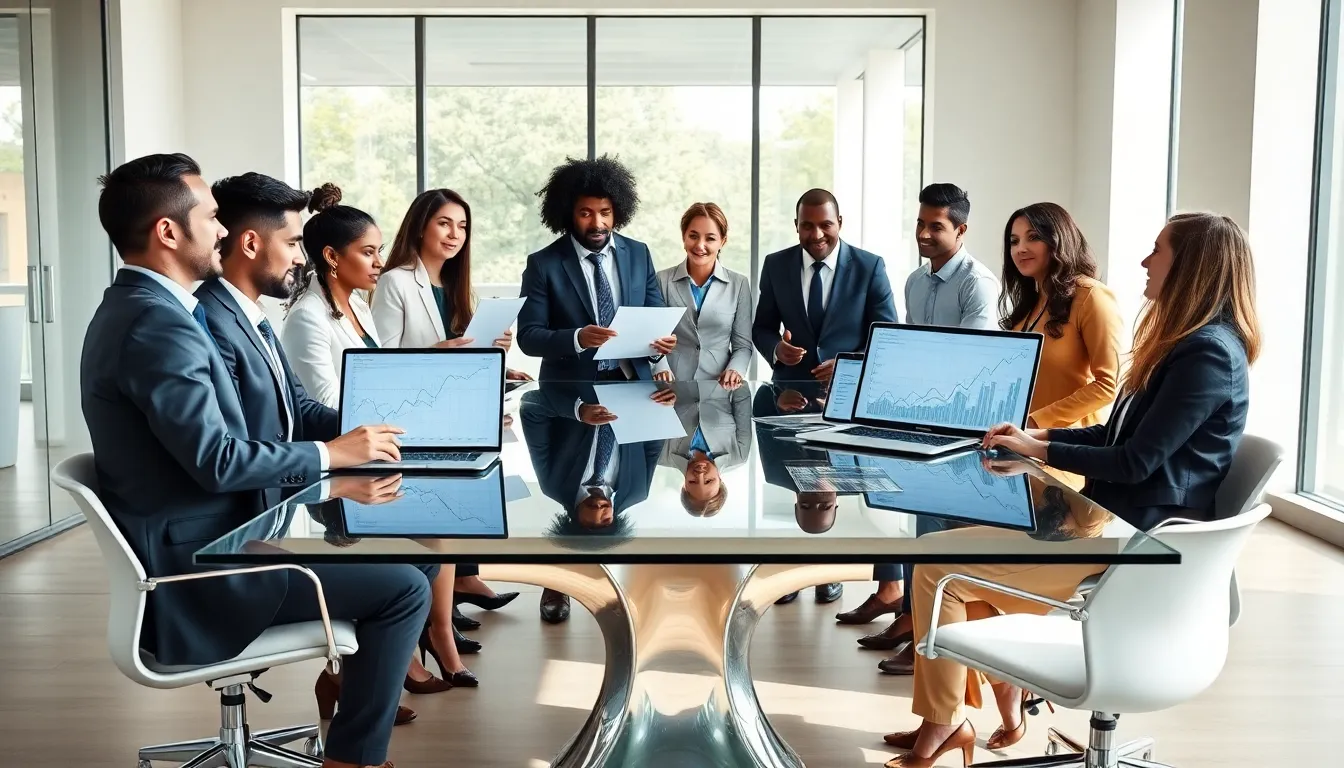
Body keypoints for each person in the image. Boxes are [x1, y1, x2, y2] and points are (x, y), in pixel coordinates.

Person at [882, 212, 1260, 768]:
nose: (1144, 261)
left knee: (937, 567)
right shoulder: (1190, 345)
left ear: (1192, 268)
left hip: (1138, 550)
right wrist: (1040, 437)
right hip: (1123, 530)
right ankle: (952, 720)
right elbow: (1117, 433)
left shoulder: (1205, 354)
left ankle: (942, 726)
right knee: (942, 556)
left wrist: (1042, 451)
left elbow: (1133, 462)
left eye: (1158, 251)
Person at [82, 153, 421, 768]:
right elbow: (216, 459)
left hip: (222, 534)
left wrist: (378, 436)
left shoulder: (157, 312)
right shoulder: (156, 325)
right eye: (211, 218)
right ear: (168, 231)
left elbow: (277, 415)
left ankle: (351, 715)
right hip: (200, 571)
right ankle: (354, 759)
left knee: (405, 567)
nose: (219, 230)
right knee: (402, 589)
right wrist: (330, 460)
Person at [279, 181, 479, 693]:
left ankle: (375, 664)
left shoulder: (358, 306)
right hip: (337, 471)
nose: (378, 262)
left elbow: (380, 376)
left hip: (373, 449)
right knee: (436, 526)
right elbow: (328, 406)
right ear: (330, 257)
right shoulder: (308, 319)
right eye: (368, 252)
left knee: (447, 514)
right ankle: (385, 663)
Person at [844, 183, 999, 658]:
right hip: (919, 421)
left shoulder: (978, 284)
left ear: (961, 229)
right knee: (917, 522)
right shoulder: (914, 280)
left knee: (941, 535)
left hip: (961, 428)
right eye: (921, 223)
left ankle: (936, 639)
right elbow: (911, 349)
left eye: (937, 226)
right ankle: (912, 619)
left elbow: (970, 363)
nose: (925, 233)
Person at [371, 187, 525, 629]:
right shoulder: (396, 281)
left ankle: (455, 590)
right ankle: (442, 606)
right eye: (444, 223)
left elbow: (462, 359)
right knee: (448, 503)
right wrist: (438, 351)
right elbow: (378, 360)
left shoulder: (456, 286)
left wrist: (499, 359)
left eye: (462, 226)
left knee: (471, 492)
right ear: (421, 226)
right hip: (414, 421)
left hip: (452, 416)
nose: (455, 234)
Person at [517, 155, 675, 382]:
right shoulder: (543, 264)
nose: (597, 224)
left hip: (633, 384)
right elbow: (528, 337)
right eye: (585, 213)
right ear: (569, 214)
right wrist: (578, 339)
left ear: (617, 211)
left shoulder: (638, 254)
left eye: (605, 212)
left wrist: (661, 342)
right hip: (570, 392)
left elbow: (655, 318)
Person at [520, 382, 663, 565]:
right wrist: (661, 404)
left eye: (589, 524)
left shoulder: (554, 484)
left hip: (579, 374)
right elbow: (655, 439)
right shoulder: (637, 491)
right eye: (604, 522)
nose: (598, 512)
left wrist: (577, 411)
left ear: (573, 520)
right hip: (632, 380)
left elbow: (530, 407)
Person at [652, 202, 752, 387]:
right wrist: (660, 368)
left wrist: (735, 369)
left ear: (723, 241)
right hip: (671, 389)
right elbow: (652, 337)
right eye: (693, 236)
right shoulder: (662, 280)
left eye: (710, 238)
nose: (700, 245)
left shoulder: (739, 284)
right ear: (684, 237)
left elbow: (743, 346)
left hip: (719, 390)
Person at [658, 380, 753, 517]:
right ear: (720, 481)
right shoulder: (738, 456)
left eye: (693, 481)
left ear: (684, 484)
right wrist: (732, 379)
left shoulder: (662, 456)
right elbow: (742, 398)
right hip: (717, 373)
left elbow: (652, 407)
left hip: (674, 374)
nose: (700, 475)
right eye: (708, 481)